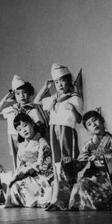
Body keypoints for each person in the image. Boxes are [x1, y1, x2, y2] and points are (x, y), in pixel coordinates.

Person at [34, 63, 83, 210]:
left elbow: (79, 119)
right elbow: (36, 101)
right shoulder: (53, 99)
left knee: (68, 164)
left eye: (63, 80)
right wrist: (45, 88)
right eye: (57, 82)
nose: (60, 84)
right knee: (57, 165)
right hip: (53, 132)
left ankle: (71, 199)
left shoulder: (75, 98)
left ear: (69, 81)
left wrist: (73, 108)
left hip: (67, 133)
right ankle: (58, 199)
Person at [68, 110, 112, 211]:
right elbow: (81, 162)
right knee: (80, 185)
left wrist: (103, 156)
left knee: (85, 185)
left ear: (102, 120)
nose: (94, 125)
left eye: (95, 120)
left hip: (110, 177)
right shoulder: (89, 144)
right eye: (89, 124)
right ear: (88, 130)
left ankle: (104, 203)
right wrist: (69, 162)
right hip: (94, 176)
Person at [0, 75, 47, 169]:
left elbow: (39, 124)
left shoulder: (32, 109)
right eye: (18, 94)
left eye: (24, 92)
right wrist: (6, 98)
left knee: (29, 158)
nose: (22, 96)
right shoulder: (12, 109)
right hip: (13, 137)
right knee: (16, 161)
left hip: (27, 138)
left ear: (29, 93)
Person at [4, 113, 53, 208]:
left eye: (25, 125)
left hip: (38, 175)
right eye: (19, 129)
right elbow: (19, 164)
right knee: (14, 186)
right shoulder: (21, 145)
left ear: (32, 124)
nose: (23, 130)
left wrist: (28, 169)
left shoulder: (42, 141)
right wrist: (19, 172)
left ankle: (36, 200)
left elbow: (43, 162)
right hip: (24, 175)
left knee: (34, 190)